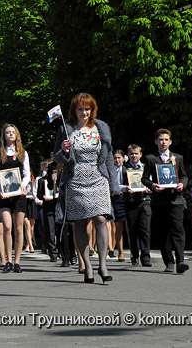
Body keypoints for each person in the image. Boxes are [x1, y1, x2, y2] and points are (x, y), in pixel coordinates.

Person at [53, 93, 119, 284]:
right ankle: (87, 266)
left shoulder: (101, 128)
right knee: (80, 223)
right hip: (75, 178)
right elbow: (57, 157)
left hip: (98, 177)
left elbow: (108, 157)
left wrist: (113, 184)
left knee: (100, 219)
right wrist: (64, 151)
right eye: (80, 109)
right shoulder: (66, 129)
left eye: (87, 109)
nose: (84, 112)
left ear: (92, 110)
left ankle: (103, 264)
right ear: (74, 110)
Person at [142, 128, 189, 274]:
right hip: (160, 200)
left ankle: (180, 260)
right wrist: (152, 185)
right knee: (163, 232)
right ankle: (169, 261)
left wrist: (182, 184)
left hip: (176, 199)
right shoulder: (151, 158)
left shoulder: (178, 158)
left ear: (170, 141)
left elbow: (184, 176)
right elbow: (144, 178)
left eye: (166, 139)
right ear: (156, 141)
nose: (163, 142)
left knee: (178, 229)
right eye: (161, 139)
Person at [0, 124, 31, 274]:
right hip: (5, 194)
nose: (10, 134)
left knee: (19, 227)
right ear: (4, 136)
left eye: (13, 132)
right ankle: (7, 259)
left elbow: (27, 173)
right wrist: (1, 190)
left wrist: (22, 185)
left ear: (17, 135)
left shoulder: (22, 153)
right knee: (7, 226)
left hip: (19, 193)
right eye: (7, 132)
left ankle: (17, 261)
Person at [124, 144, 152, 267]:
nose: (134, 156)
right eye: (131, 154)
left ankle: (146, 257)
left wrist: (148, 188)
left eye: (136, 153)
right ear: (128, 155)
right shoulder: (124, 168)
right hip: (130, 202)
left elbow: (152, 182)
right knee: (133, 230)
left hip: (144, 200)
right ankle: (134, 256)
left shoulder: (146, 167)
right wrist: (126, 188)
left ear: (140, 154)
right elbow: (117, 184)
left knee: (145, 229)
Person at [109, 150, 127, 262]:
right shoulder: (110, 170)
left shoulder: (127, 169)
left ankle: (133, 253)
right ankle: (120, 252)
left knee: (129, 227)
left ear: (123, 159)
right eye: (115, 158)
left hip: (126, 198)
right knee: (118, 228)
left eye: (119, 158)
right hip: (115, 198)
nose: (117, 160)